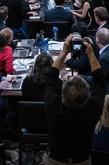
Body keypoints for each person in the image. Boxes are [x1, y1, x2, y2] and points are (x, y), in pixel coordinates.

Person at [44, 34, 105, 165]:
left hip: (55, 159)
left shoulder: (54, 109)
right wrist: (91, 54)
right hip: (82, 160)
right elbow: (100, 81)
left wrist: (65, 51)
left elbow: (51, 77)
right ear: (87, 97)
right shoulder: (91, 111)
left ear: (62, 95)